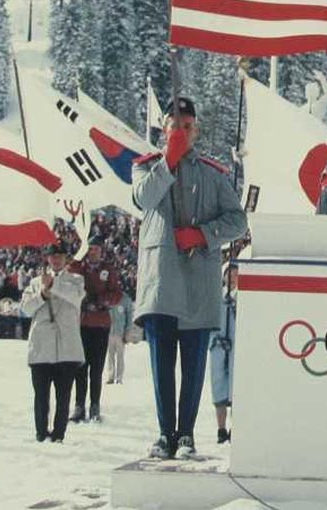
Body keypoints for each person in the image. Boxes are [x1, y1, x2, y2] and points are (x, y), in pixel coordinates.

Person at [132, 97, 248, 460]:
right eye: (173, 126)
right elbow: (143, 197)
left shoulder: (214, 174)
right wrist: (169, 159)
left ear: (196, 130)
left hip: (198, 276)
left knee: (194, 363)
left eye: (187, 126)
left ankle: (186, 434)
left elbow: (238, 220)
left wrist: (203, 234)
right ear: (163, 129)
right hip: (162, 278)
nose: (180, 131)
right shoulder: (146, 167)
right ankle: (165, 432)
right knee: (161, 363)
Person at [20, 242, 85, 442]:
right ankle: (40, 431)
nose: (56, 260)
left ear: (66, 259)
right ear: (47, 258)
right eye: (52, 256)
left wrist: (53, 285)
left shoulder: (76, 280)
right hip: (41, 346)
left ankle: (59, 433)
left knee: (63, 395)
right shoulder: (34, 282)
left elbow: (75, 297)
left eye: (60, 256)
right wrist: (42, 294)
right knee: (41, 395)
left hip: (66, 346)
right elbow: (25, 309)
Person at [69, 234, 123, 423]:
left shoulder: (107, 270)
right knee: (80, 367)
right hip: (82, 322)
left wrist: (100, 301)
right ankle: (78, 405)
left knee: (96, 367)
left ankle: (94, 405)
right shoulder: (80, 268)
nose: (93, 252)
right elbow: (69, 273)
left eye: (96, 249)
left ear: (102, 251)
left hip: (100, 323)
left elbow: (116, 294)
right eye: (90, 249)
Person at [209, 260, 238, 444]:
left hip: (237, 347)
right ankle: (221, 428)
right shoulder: (216, 297)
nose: (233, 276)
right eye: (230, 272)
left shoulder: (244, 297)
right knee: (219, 384)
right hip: (218, 346)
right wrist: (215, 339)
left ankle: (236, 427)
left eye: (236, 273)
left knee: (236, 387)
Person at [106, 291, 134, 384]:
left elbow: (129, 317)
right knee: (110, 356)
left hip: (120, 332)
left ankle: (119, 378)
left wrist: (127, 331)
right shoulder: (108, 297)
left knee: (120, 356)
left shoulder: (125, 299)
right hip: (109, 331)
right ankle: (110, 376)